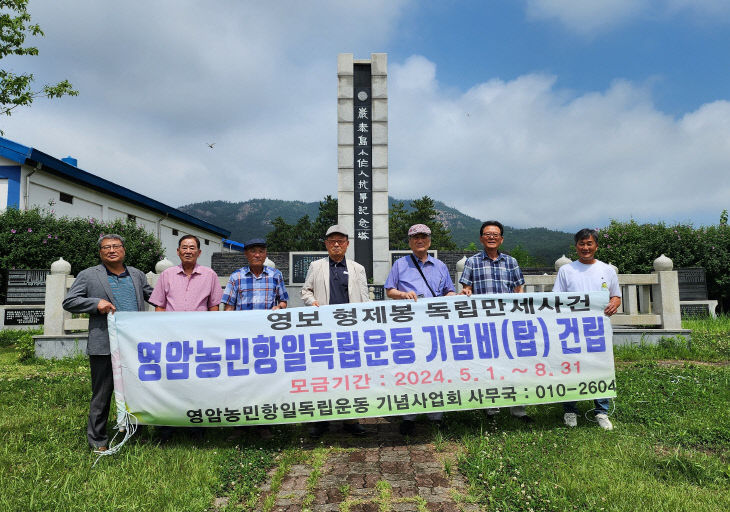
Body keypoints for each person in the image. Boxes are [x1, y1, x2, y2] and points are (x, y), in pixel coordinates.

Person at [62, 234, 153, 452]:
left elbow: (155, 297)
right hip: (104, 344)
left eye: (116, 246)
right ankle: (98, 440)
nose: (111, 250)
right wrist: (95, 303)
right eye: (106, 248)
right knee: (102, 393)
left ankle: (135, 433)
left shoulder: (137, 275)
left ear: (124, 249)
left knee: (136, 392)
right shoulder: (88, 275)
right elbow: (69, 301)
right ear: (100, 252)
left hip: (134, 345)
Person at [385, 223, 456, 435]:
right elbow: (389, 290)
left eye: (424, 236)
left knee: (436, 368)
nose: (420, 240)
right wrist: (403, 295)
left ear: (429, 241)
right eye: (415, 237)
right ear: (409, 242)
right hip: (409, 325)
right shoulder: (400, 264)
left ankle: (436, 415)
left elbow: (449, 291)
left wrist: (453, 297)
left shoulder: (441, 266)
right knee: (411, 369)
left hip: (435, 325)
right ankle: (409, 415)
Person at [149, 234, 222, 441]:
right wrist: (161, 333)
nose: (188, 251)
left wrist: (211, 335)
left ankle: (196, 428)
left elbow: (214, 307)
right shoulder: (167, 275)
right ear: (178, 251)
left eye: (192, 247)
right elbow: (160, 306)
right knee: (170, 381)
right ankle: (166, 428)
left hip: (200, 339)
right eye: (184, 247)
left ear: (199, 252)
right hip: (171, 338)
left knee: (197, 382)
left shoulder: (210, 275)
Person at [460, 220, 533, 423]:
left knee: (515, 364)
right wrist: (466, 291)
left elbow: (519, 290)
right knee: (489, 366)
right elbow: (467, 288)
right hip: (483, 324)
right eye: (487, 234)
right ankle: (492, 408)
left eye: (495, 234)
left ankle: (519, 410)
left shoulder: (511, 262)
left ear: (501, 238)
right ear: (481, 238)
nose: (491, 237)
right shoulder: (472, 262)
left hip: (509, 323)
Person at [301, 224, 369, 438]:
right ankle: (321, 420)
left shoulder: (358, 268)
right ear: (326, 244)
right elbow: (306, 290)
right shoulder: (316, 266)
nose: (336, 244)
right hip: (324, 330)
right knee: (323, 373)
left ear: (347, 244)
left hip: (350, 329)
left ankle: (350, 419)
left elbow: (365, 298)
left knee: (349, 374)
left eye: (340, 241)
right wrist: (312, 302)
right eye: (332, 241)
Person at [552, 228, 621, 430]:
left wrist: (614, 304)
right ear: (576, 247)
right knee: (571, 367)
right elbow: (558, 299)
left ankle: (601, 411)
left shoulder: (607, 270)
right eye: (581, 244)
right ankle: (570, 410)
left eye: (589, 244)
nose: (585, 248)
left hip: (598, 329)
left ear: (596, 246)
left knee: (600, 367)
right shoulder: (567, 270)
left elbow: (616, 296)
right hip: (571, 328)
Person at [221, 238, 288, 311]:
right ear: (246, 254)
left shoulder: (276, 275)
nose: (257, 255)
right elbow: (229, 306)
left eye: (261, 251)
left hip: (267, 321)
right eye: (253, 251)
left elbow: (283, 301)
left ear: (266, 254)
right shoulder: (236, 276)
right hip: (243, 321)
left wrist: (279, 307)